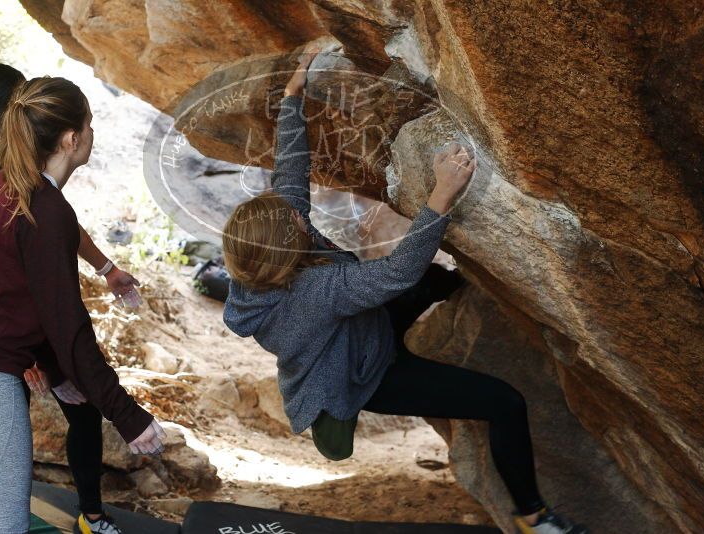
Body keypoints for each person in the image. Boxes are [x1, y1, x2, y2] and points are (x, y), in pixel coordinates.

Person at [221, 50, 588, 534]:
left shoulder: (267, 256)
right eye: (292, 219)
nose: (295, 212)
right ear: (288, 247)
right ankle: (534, 518)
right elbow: (396, 275)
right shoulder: (314, 289)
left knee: (439, 282)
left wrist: (292, 98)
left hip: (357, 331)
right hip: (366, 375)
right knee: (505, 403)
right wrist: (441, 194)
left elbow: (289, 177)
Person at [0, 75, 166, 534]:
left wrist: (57, 371)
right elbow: (68, 322)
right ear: (71, 139)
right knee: (5, 519)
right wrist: (129, 416)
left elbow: (21, 297)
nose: (92, 134)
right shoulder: (44, 208)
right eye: (90, 125)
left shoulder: (7, 188)